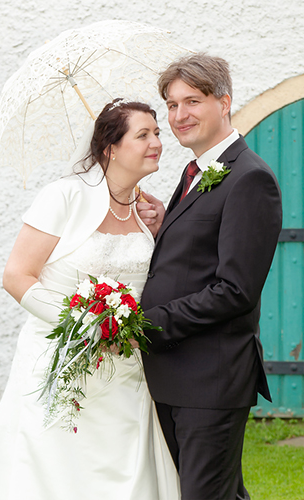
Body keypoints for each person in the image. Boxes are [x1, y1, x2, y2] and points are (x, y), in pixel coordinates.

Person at [0, 99, 180, 500]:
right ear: (111, 147)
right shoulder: (63, 196)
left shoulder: (148, 210)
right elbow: (16, 276)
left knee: (127, 467)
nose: (157, 143)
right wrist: (86, 326)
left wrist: (163, 226)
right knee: (54, 469)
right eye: (144, 134)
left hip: (126, 367)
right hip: (60, 357)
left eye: (158, 133)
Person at [137, 53, 282, 499]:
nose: (179, 116)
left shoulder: (250, 179)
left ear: (224, 102)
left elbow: (234, 290)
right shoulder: (194, 171)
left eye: (192, 101)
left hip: (211, 378)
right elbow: (200, 255)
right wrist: (167, 226)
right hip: (177, 374)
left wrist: (149, 325)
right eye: (172, 104)